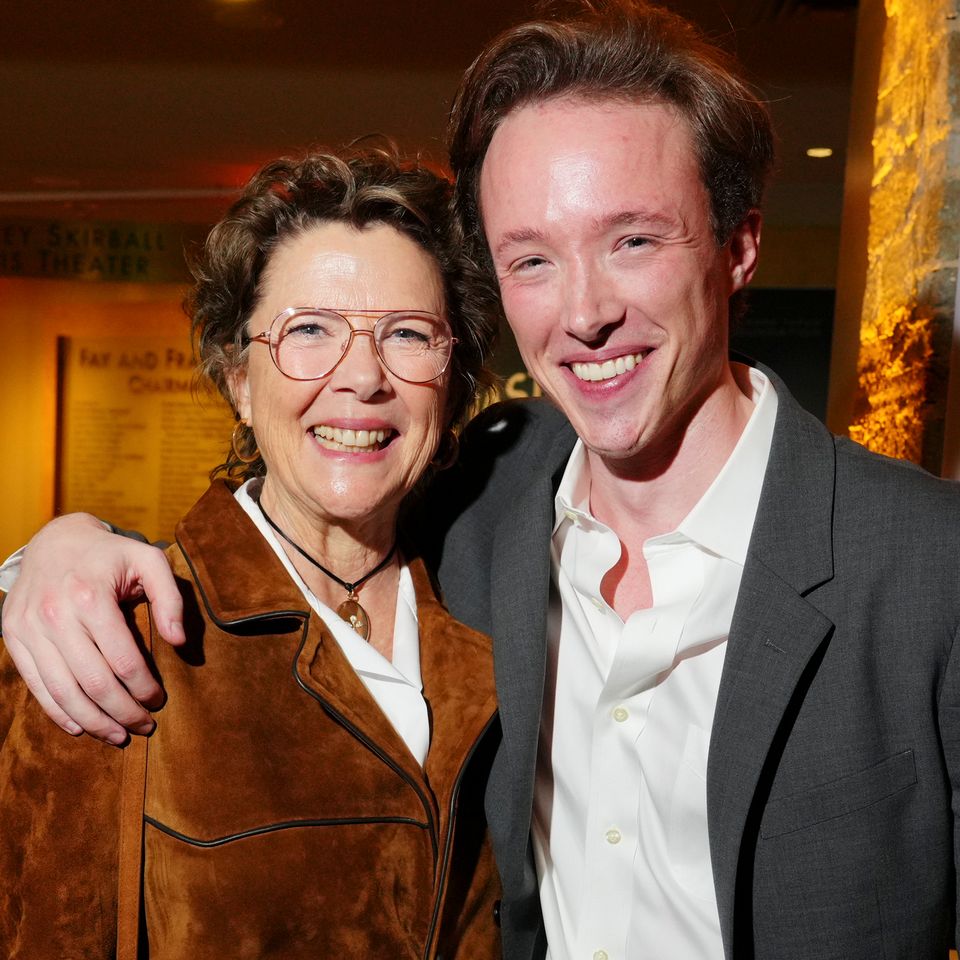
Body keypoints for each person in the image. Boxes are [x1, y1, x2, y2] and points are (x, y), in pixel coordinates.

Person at [3, 2, 960, 958]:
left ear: (739, 245)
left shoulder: (929, 567)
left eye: (633, 239)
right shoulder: (494, 508)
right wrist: (56, 551)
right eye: (532, 259)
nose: (584, 313)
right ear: (234, 375)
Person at [0, 146, 504, 958]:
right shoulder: (111, 643)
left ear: (452, 384)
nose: (362, 378)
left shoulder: (494, 600)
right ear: (238, 376)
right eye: (309, 330)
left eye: (408, 335)